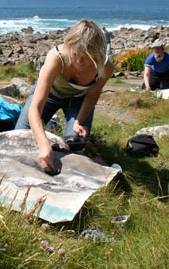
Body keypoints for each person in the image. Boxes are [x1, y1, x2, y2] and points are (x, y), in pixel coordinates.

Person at [15, 19, 115, 174]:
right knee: (19, 138)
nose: (79, 60)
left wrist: (79, 121)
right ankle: (47, 129)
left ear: (97, 52)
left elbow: (93, 94)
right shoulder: (57, 57)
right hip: (50, 94)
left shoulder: (105, 66)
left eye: (86, 55)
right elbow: (35, 108)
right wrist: (43, 144)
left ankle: (56, 128)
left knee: (74, 143)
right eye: (75, 53)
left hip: (79, 99)